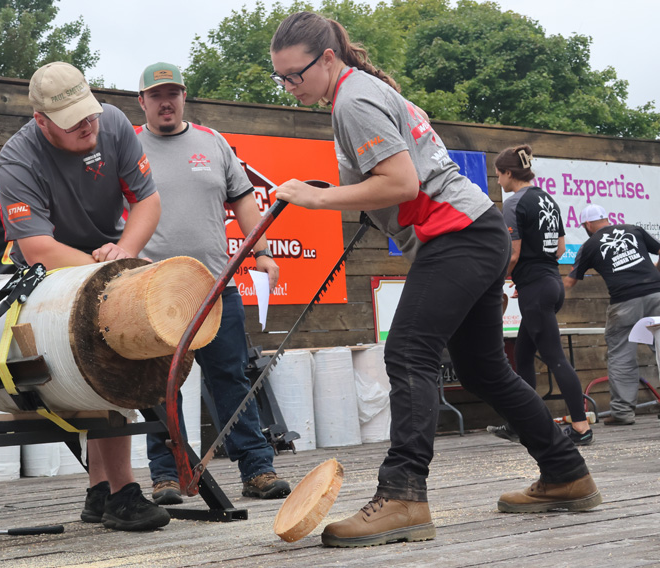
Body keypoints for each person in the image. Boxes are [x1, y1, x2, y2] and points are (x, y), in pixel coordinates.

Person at [268, 11, 601, 548]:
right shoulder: (361, 91)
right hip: (477, 229)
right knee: (484, 368)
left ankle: (403, 496)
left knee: (408, 351)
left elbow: (399, 182)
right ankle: (566, 472)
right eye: (279, 78)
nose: (288, 87)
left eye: (295, 74)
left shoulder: (353, 100)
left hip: (460, 235)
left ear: (327, 58)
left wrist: (321, 198)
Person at [0, 61, 169, 531]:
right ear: (41, 121)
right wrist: (104, 271)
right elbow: (36, 247)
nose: (87, 125)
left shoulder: (111, 122)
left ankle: (100, 491)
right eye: (73, 122)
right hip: (49, 270)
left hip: (108, 256)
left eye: (88, 113)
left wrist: (124, 256)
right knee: (99, 362)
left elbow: (147, 201)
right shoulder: (17, 157)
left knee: (119, 357)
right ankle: (123, 493)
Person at [133, 62, 291, 504]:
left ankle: (257, 469)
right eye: (156, 95)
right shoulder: (127, 145)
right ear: (141, 100)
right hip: (152, 290)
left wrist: (262, 253)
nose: (166, 102)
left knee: (231, 378)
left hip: (214, 286)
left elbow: (244, 202)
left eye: (173, 93)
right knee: (159, 385)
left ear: (184, 96)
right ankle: (169, 475)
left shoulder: (213, 142)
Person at [487, 145, 592, 445]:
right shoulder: (548, 199)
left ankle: (582, 428)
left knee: (555, 358)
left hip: (536, 289)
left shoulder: (513, 203)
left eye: (498, 175)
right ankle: (522, 424)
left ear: (509, 173)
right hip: (551, 283)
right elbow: (559, 249)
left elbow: (514, 253)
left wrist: (499, 280)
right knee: (522, 354)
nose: (498, 181)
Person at [564, 204, 660, 425]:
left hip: (625, 302)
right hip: (657, 295)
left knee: (621, 355)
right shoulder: (634, 230)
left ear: (588, 225)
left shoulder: (589, 245)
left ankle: (623, 412)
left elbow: (569, 281)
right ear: (606, 219)